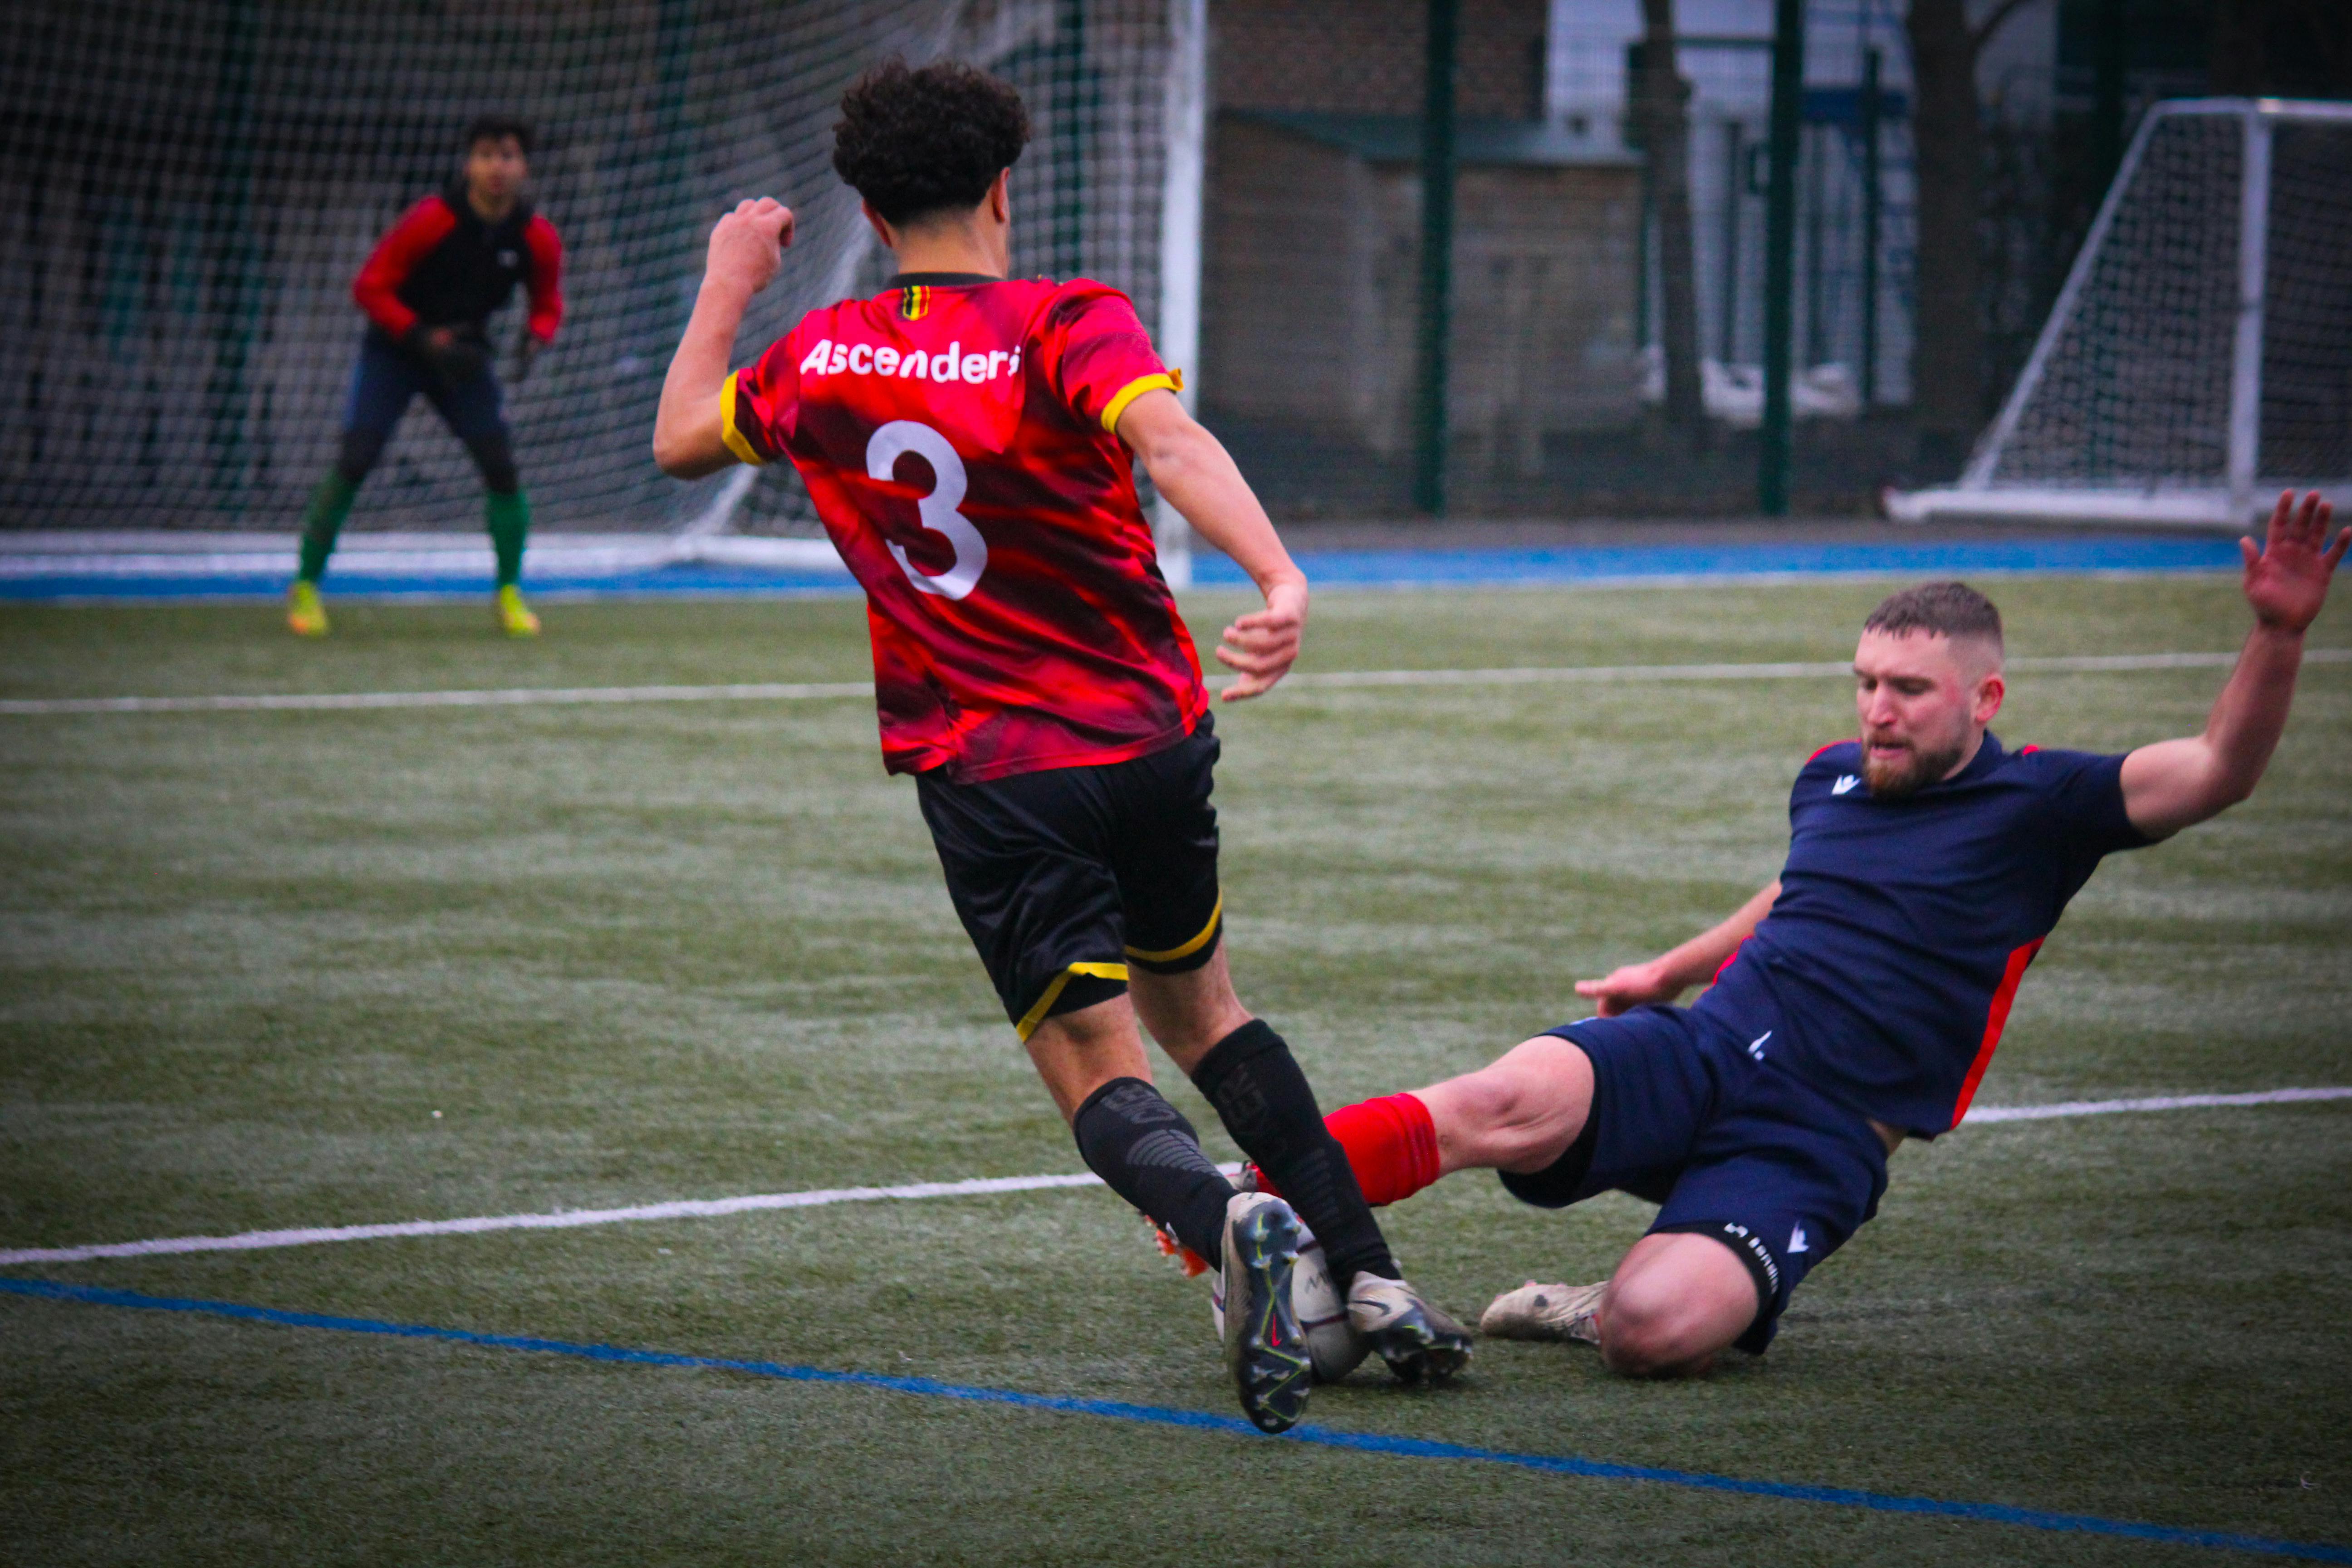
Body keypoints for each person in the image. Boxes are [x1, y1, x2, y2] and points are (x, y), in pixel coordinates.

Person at [650, 59, 1470, 1431]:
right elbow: (1170, 442)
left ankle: (1228, 1223)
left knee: (1097, 1065)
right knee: (1206, 1010)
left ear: (869, 211)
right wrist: (1278, 577)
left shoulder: (823, 357)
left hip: (997, 769)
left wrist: (731, 278)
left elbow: (681, 437)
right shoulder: (1068, 319)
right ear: (1002, 189)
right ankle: (1374, 1277)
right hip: (1151, 738)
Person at [1285, 495, 2343, 1377]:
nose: (1877, 710)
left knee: (1652, 1333)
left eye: (1909, 690)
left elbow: (2217, 770)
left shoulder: (2043, 805)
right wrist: (1672, 969)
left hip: (1819, 1134)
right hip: (1705, 1051)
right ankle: (1247, 1205)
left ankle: (1596, 1302)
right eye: (1866, 682)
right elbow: (1801, 889)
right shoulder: (1833, 774)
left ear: (1984, 697)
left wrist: (2278, 633)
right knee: (1501, 1095)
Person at [287, 114, 564, 638]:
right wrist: (419, 337)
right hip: (396, 352)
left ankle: (510, 592)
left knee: (501, 469)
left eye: (507, 156)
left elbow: (547, 302)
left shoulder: (536, 237)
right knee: (356, 458)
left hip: (462, 359)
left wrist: (536, 336)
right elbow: (370, 286)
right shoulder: (432, 219)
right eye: (485, 155)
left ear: (524, 166)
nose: (497, 167)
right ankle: (305, 584)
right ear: (468, 164)